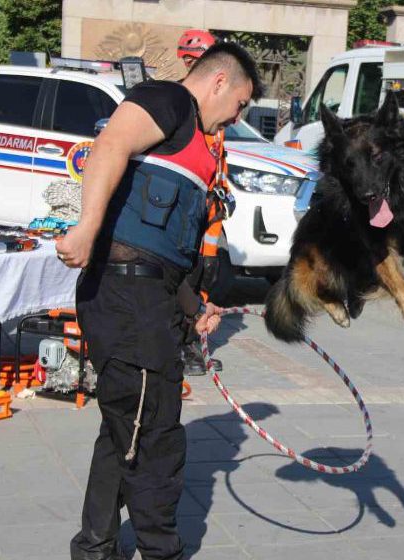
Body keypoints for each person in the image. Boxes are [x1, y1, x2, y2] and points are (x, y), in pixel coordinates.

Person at [57, 42, 262, 560]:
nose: (236, 117)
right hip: (127, 298)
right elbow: (109, 146)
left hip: (146, 294)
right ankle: (160, 551)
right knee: (156, 438)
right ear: (219, 83)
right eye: (240, 104)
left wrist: (196, 309)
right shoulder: (168, 101)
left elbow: (164, 254)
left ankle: (95, 547)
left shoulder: (195, 140)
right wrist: (87, 227)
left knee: (124, 426)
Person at [176, 29, 235, 376]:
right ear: (189, 60)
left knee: (206, 273)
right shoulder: (183, 101)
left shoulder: (215, 101)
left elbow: (219, 156)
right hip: (191, 206)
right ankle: (183, 347)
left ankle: (193, 344)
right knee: (184, 275)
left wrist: (224, 191)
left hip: (211, 209)